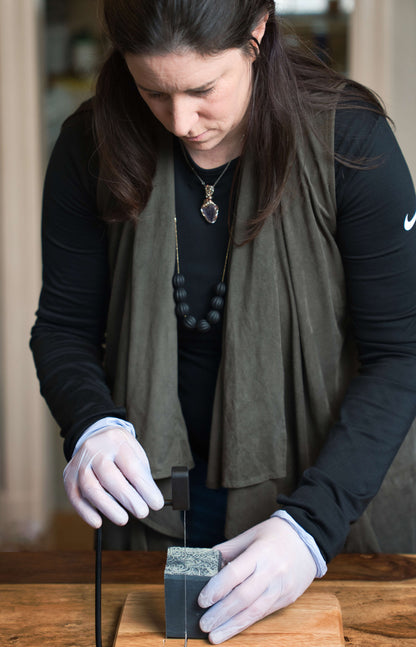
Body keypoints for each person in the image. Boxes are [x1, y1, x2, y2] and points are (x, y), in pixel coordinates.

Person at [31, 0, 416, 643]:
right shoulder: (89, 143)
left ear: (257, 33)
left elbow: (402, 353)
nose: (181, 121)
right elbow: (65, 328)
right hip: (154, 495)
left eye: (203, 89)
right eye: (152, 91)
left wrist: (310, 530)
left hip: (327, 491)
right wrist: (91, 423)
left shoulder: (350, 138)